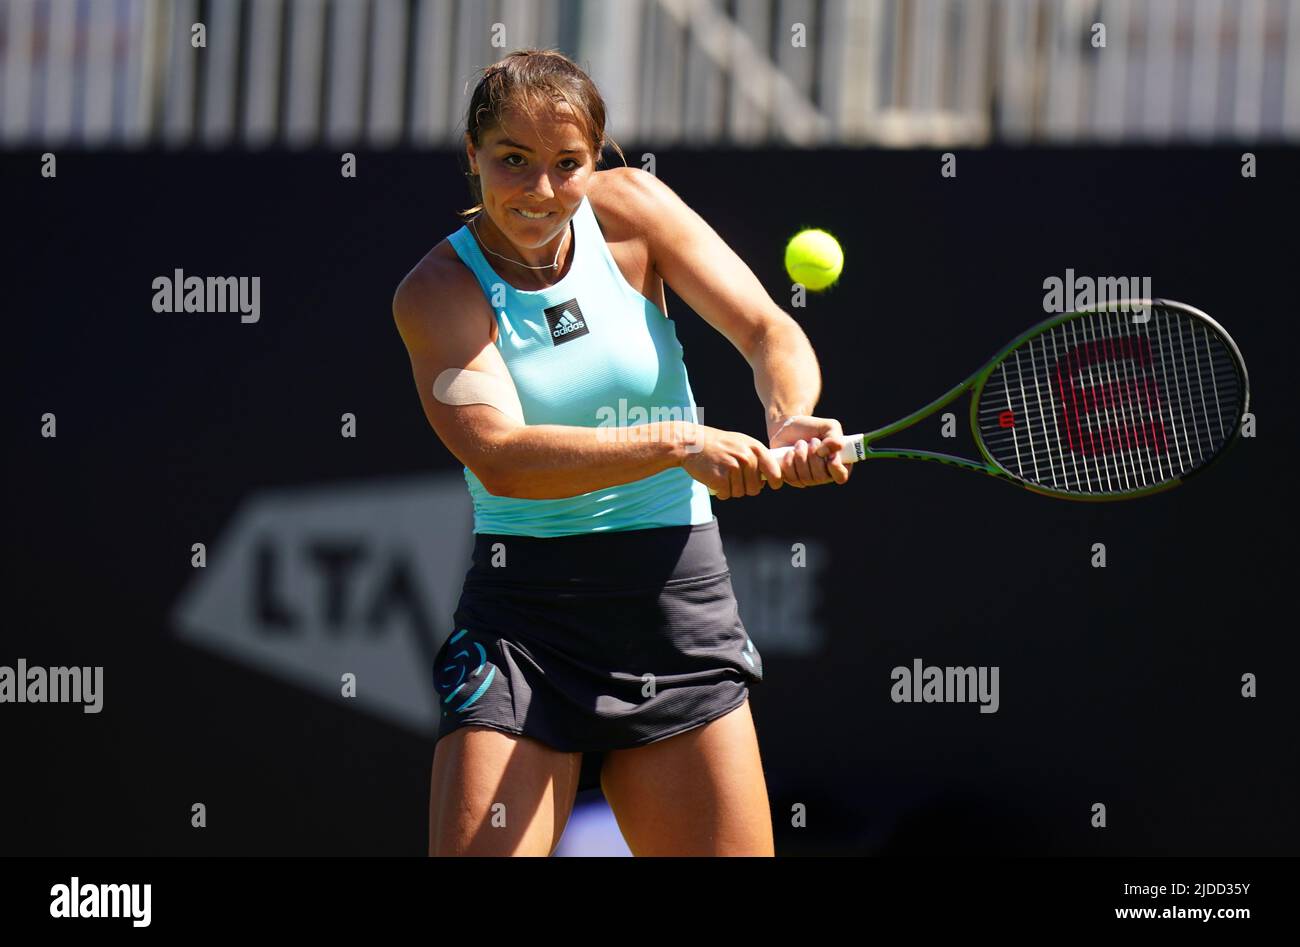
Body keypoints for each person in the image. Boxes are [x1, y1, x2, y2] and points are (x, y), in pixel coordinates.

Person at [393, 48, 852, 856]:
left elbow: (766, 329)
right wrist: (677, 442)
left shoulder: (634, 210)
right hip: (526, 625)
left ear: (597, 160)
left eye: (567, 165)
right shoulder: (437, 291)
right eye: (513, 161)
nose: (540, 192)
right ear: (472, 155)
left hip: (675, 606)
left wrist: (789, 417)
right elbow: (498, 455)